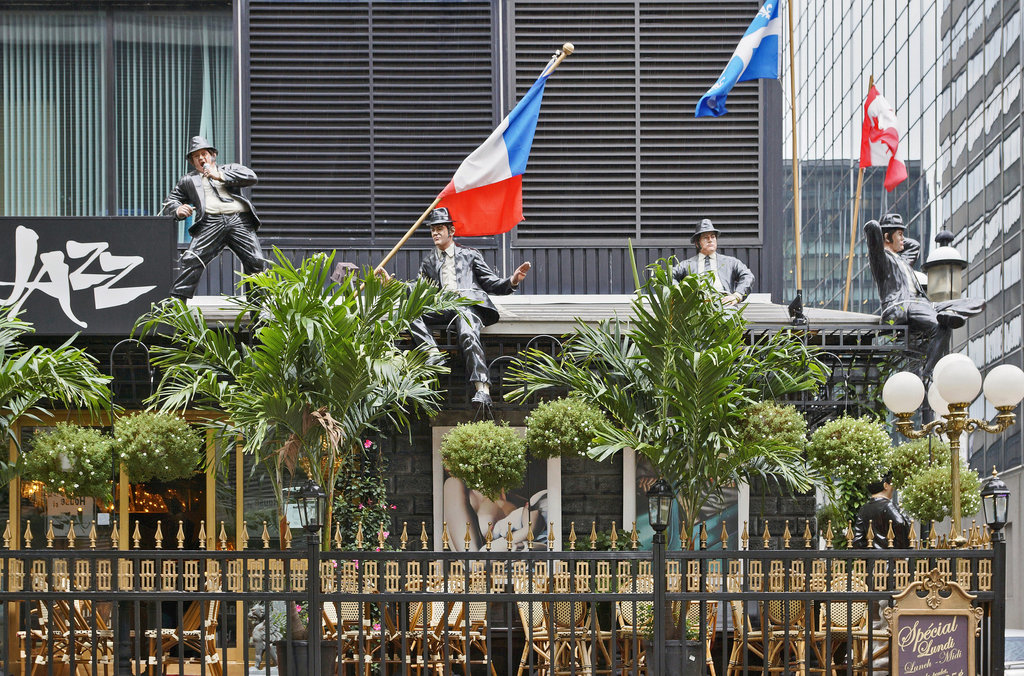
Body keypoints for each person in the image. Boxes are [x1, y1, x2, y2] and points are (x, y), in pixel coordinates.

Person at [409, 207, 530, 406]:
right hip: (442, 306)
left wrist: (512, 280)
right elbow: (417, 288)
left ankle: (483, 389)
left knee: (467, 332)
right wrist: (393, 285)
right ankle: (432, 353)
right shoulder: (429, 261)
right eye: (432, 230)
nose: (435, 233)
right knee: (411, 313)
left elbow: (491, 283)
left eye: (440, 228)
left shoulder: (469, 255)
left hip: (466, 305)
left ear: (451, 231)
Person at [865, 213, 984, 378]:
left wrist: (895, 238)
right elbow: (872, 227)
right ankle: (927, 371)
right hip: (905, 305)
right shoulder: (881, 261)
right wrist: (886, 236)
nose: (903, 239)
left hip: (924, 303)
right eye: (899, 234)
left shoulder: (903, 260)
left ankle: (948, 315)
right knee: (940, 327)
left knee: (977, 302)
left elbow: (914, 245)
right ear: (886, 236)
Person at [162, 136, 268, 300]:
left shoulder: (229, 168)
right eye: (196, 156)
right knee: (192, 260)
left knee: (256, 261)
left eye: (204, 154)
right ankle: (175, 308)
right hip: (210, 223)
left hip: (238, 220)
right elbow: (171, 201)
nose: (201, 159)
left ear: (213, 155)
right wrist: (177, 209)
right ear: (192, 162)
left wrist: (219, 176)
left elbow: (251, 176)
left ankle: (259, 313)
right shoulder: (189, 180)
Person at [671, 218, 755, 305]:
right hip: (696, 307)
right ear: (697, 243)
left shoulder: (731, 262)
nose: (710, 240)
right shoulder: (686, 265)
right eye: (705, 237)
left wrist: (737, 295)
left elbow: (748, 276)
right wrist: (681, 294)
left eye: (713, 237)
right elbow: (668, 277)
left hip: (724, 305)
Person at [852, 473, 910, 549]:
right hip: (889, 557)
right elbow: (900, 523)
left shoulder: (864, 508)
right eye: (891, 484)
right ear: (885, 485)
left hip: (871, 558)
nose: (892, 488)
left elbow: (858, 539)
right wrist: (900, 550)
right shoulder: (888, 505)